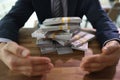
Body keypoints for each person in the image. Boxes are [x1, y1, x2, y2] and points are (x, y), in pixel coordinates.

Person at [0, 0, 120, 76]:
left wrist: (112, 41)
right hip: (43, 46)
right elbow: (12, 18)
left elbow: (101, 20)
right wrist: (2, 44)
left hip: (76, 54)